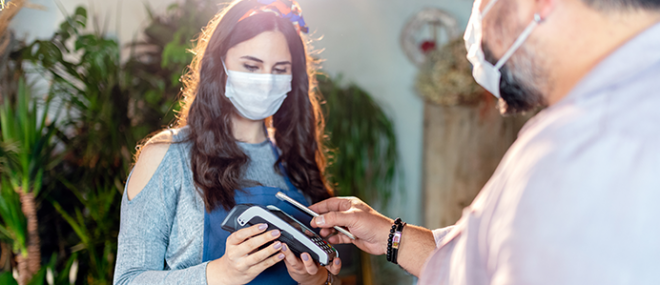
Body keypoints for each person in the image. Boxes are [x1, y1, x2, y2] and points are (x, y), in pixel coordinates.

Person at [309, 0, 660, 284]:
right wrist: (391, 236)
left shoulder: (586, 145)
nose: (477, 22)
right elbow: (487, 262)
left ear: (542, 5)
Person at [113, 0, 341, 284]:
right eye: (251, 65)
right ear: (219, 64)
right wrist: (220, 274)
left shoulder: (298, 163)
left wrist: (316, 281)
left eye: (280, 69)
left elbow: (326, 276)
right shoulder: (167, 156)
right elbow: (127, 279)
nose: (267, 81)